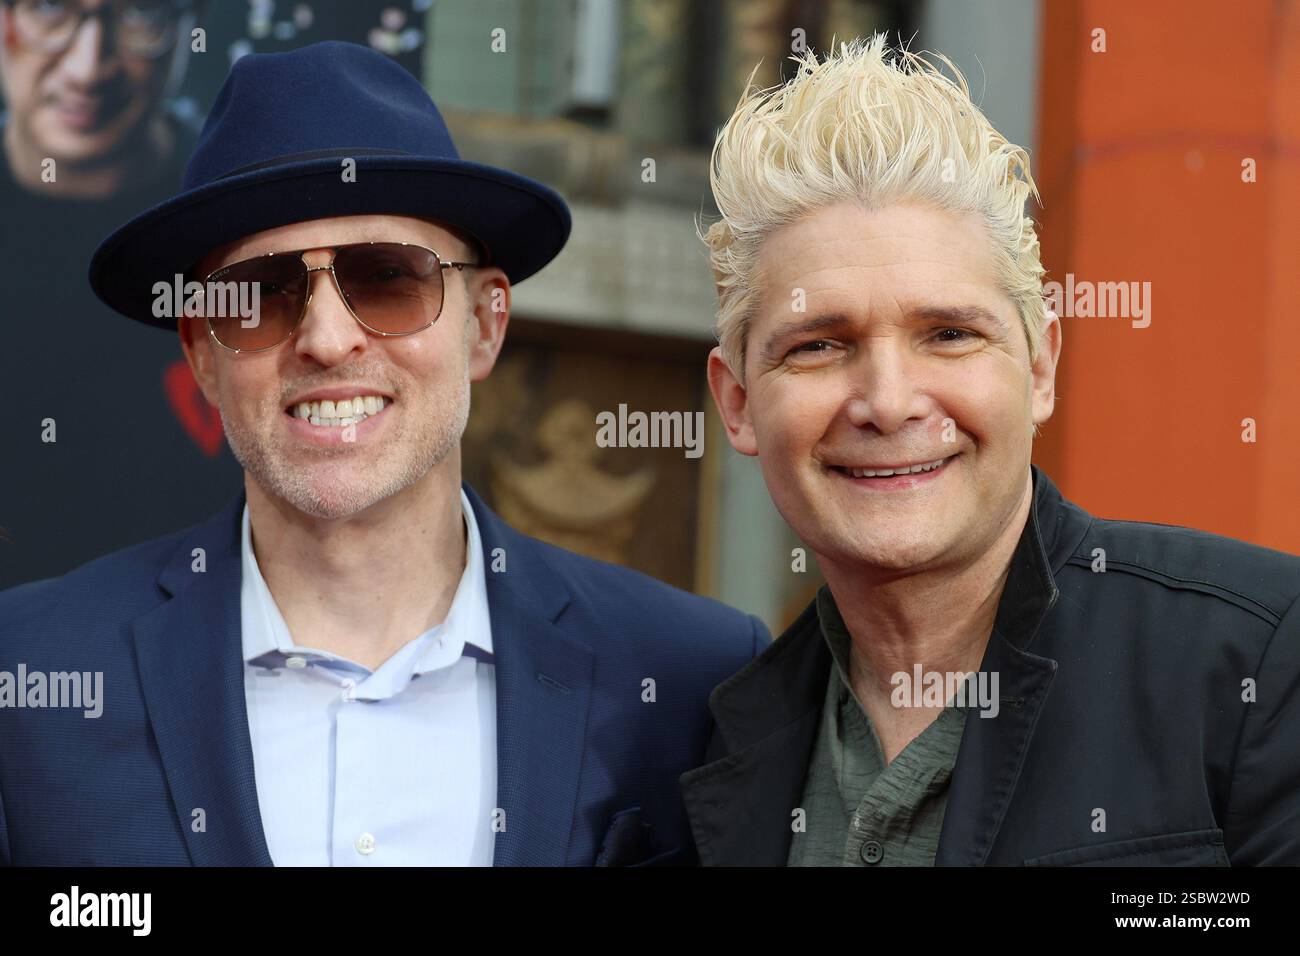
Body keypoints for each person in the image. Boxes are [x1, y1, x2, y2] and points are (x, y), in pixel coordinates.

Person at [0, 41, 767, 866]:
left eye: (387, 279)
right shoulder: (29, 676)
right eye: (261, 293)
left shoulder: (696, 678)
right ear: (202, 355)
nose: (327, 339)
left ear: (484, 324)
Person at [680, 36, 1300, 866]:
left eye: (948, 334)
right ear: (738, 402)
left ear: (1039, 368)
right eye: (819, 346)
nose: (889, 401)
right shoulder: (705, 735)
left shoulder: (1257, 662)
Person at [0, 0, 242, 589]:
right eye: (50, 7)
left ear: (195, 24)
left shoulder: (249, 228)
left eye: (140, 15)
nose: (88, 67)